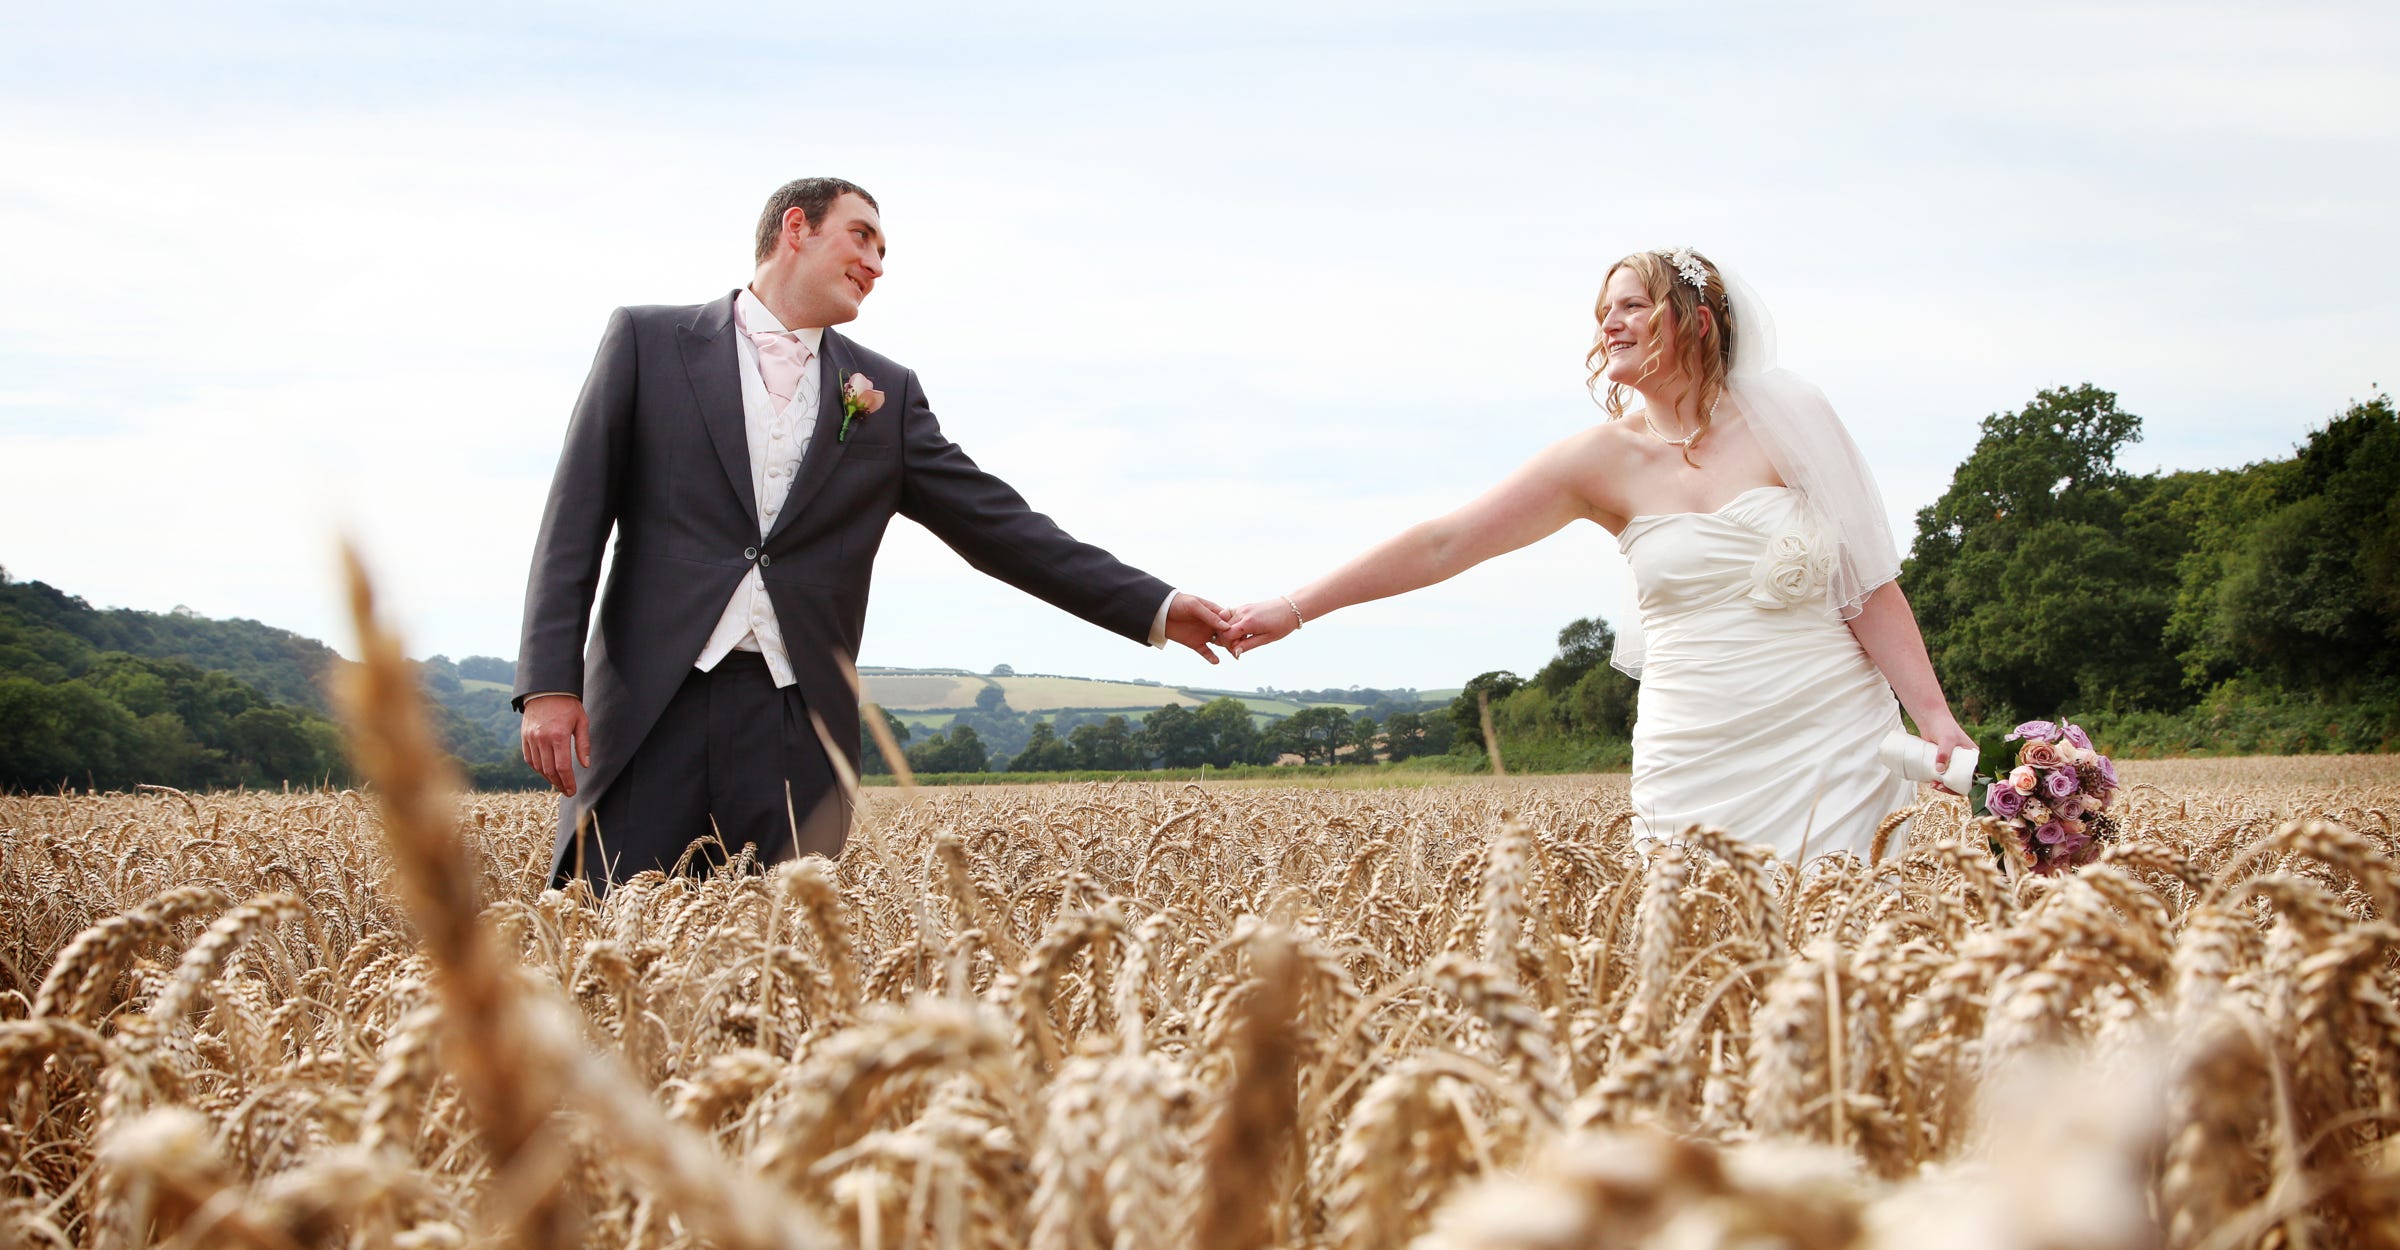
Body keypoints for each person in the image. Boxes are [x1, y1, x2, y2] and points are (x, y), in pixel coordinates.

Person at [514, 177, 1230, 892]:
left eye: (884, 251)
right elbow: (573, 520)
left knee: (780, 962)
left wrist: (1156, 607)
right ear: (796, 228)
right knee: (600, 937)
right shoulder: (646, 341)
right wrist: (549, 684)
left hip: (798, 723)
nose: (878, 265)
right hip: (647, 709)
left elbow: (1004, 529)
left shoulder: (886, 392)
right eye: (863, 237)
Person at [1217, 249, 1972, 860]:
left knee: (1841, 962)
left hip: (1829, 731)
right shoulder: (1596, 463)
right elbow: (1446, 543)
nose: (1609, 323)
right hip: (1694, 750)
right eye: (1602, 311)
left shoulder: (1794, 422)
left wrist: (1933, 717)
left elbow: (1869, 588)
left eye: (1632, 305)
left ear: (1698, 321)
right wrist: (1296, 607)